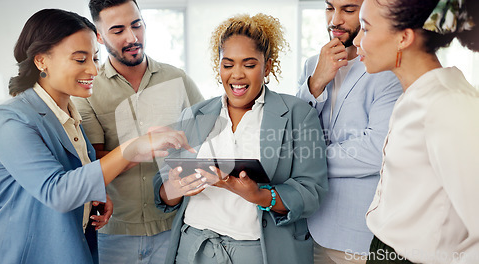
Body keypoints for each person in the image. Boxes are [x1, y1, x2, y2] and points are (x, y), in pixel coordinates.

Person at [0, 9, 194, 264]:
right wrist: (131, 146)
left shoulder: (69, 118)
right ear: (41, 61)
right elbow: (56, 191)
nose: (94, 69)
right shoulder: (10, 119)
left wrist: (93, 198)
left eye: (94, 57)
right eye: (81, 60)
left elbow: (75, 179)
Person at [154, 13, 329, 264]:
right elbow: (163, 193)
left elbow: (312, 192)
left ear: (267, 66)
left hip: (256, 251)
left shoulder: (297, 114)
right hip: (193, 247)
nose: (237, 75)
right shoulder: (194, 114)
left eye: (249, 65)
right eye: (228, 65)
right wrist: (173, 187)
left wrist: (259, 195)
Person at [72, 0, 204, 263]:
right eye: (118, 30)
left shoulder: (178, 79)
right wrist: (145, 146)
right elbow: (93, 162)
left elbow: (207, 141)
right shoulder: (88, 90)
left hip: (176, 227)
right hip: (113, 234)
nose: (132, 38)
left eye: (136, 25)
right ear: (99, 36)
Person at [353, 0, 479, 263]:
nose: (356, 41)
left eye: (365, 28)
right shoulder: (416, 96)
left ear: (404, 38)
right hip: (383, 251)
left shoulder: (448, 106)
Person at [296, 0, 402, 263]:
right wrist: (316, 83)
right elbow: (291, 132)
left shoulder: (387, 69)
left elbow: (377, 150)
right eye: (330, 8)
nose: (335, 20)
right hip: (308, 226)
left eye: (349, 10)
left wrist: (306, 159)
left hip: (359, 235)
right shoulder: (313, 65)